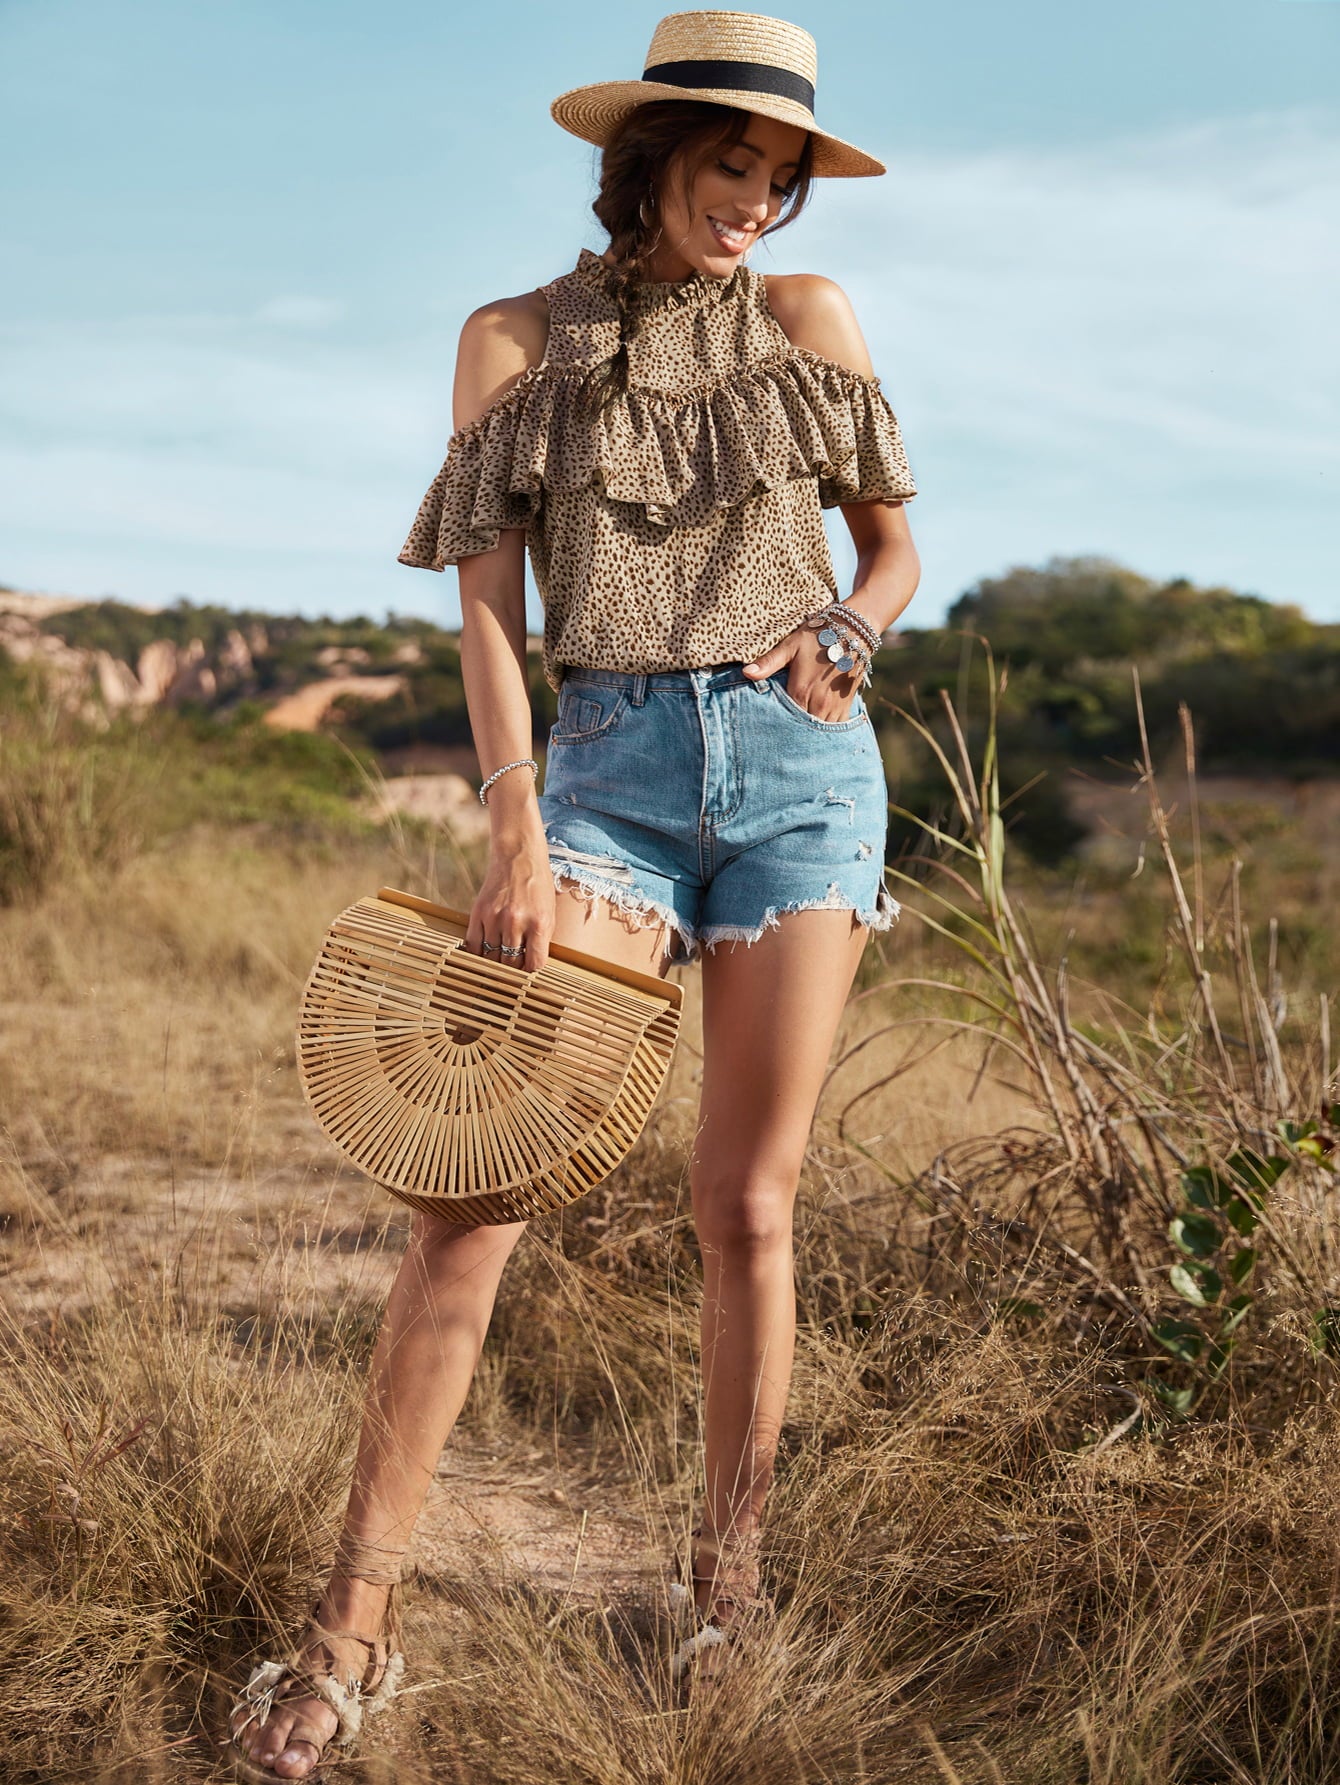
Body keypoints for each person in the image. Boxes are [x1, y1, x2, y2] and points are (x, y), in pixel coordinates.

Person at [226, 9, 920, 1777]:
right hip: (598, 771)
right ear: (649, 159)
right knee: (474, 1192)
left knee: (747, 1204)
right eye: (731, 166)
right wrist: (514, 832)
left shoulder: (807, 326)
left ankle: (724, 1594)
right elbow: (483, 604)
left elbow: (897, 549)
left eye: (782, 177)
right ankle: (348, 1627)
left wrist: (846, 631)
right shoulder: (512, 342)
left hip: (797, 776)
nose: (758, 204)